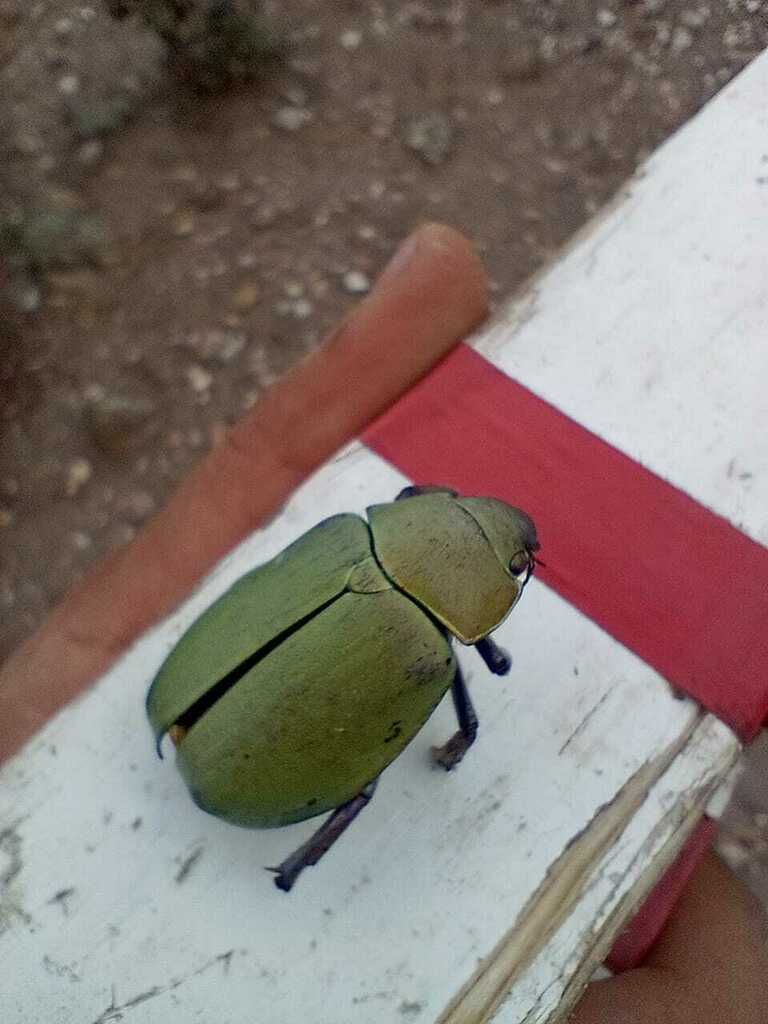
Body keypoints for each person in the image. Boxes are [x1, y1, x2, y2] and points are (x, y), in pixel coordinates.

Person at [1, 224, 765, 1020]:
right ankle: (298, 863)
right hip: (230, 748)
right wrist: (463, 731)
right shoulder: (430, 655)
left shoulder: (348, 536)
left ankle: (291, 840)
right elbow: (488, 668)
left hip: (192, 706)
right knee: (359, 790)